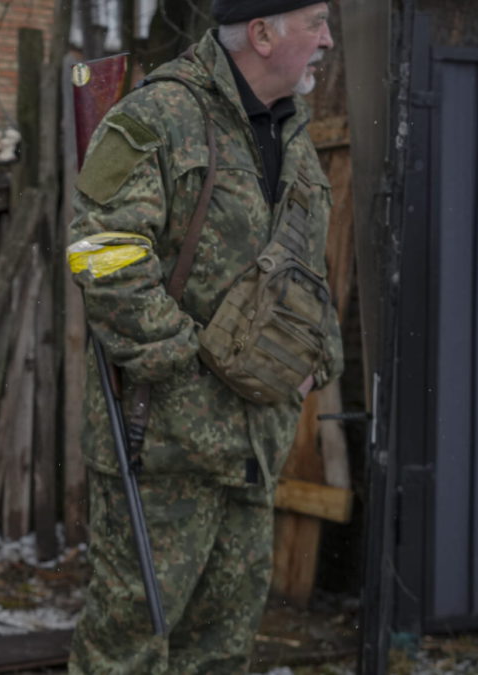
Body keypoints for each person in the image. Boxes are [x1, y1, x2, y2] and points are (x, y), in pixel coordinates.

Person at [66, 1, 343, 672]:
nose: (329, 40)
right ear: (262, 32)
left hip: (252, 450)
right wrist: (189, 363)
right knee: (128, 649)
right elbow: (99, 253)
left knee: (220, 651)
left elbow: (309, 271)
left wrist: (316, 358)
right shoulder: (156, 117)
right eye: (316, 23)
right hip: (162, 446)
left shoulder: (293, 136)